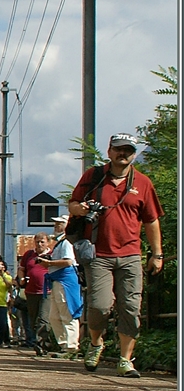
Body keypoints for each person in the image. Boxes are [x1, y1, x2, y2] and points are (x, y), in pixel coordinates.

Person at [69, 132, 164, 377]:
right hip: (98, 253)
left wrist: (157, 254)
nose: (123, 154)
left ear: (133, 154)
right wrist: (80, 209)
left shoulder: (142, 182)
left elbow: (152, 220)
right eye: (119, 149)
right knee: (100, 306)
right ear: (109, 151)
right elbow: (73, 204)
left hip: (131, 254)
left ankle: (125, 359)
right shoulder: (93, 177)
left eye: (129, 150)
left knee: (131, 308)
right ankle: (96, 343)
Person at [39, 230, 83, 357]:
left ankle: (72, 347)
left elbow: (68, 261)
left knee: (67, 313)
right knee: (54, 316)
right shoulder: (59, 243)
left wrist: (49, 263)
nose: (56, 226)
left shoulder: (67, 242)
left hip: (66, 282)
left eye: (59, 224)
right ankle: (63, 345)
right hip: (56, 281)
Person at [16, 233, 52, 354]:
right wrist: (21, 279)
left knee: (43, 318)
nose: (40, 244)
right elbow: (21, 269)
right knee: (33, 318)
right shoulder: (29, 255)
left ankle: (42, 344)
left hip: (47, 291)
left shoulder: (51, 255)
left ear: (48, 242)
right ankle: (37, 340)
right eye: (37, 242)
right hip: (31, 291)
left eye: (42, 242)